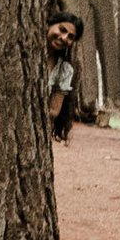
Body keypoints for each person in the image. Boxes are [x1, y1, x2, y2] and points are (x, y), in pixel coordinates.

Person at [44, 14, 83, 143]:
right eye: (62, 29)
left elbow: (54, 111)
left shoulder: (64, 70)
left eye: (70, 37)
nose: (64, 37)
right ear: (50, 24)